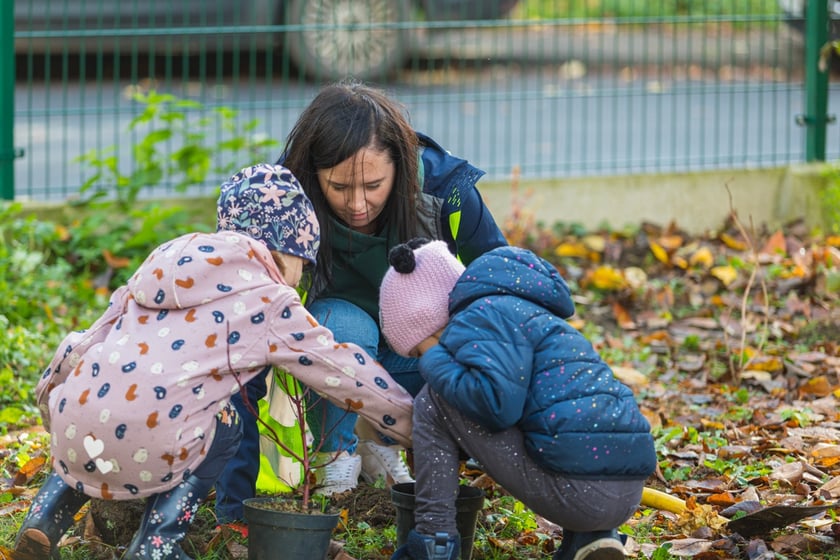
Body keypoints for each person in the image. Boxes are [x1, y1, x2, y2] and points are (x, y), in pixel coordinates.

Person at [11, 163, 413, 560]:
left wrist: (52, 404)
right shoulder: (269, 297)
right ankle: (157, 544)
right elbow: (342, 372)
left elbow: (79, 345)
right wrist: (412, 422)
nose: (299, 279)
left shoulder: (165, 260)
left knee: (95, 409)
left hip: (74, 428)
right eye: (303, 265)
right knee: (225, 416)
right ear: (287, 249)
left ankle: (42, 520)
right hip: (154, 442)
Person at [214, 80, 508, 518]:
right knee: (346, 323)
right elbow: (242, 350)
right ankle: (338, 460)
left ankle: (383, 448)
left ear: (401, 166)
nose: (357, 204)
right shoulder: (281, 208)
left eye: (373, 185)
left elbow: (504, 289)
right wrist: (233, 507)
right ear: (313, 174)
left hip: (420, 354)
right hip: (329, 354)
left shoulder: (446, 192)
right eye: (338, 186)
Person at [379, 239, 658, 560]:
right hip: (625, 492)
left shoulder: (478, 319)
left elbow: (495, 406)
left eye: (417, 349)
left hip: (581, 495)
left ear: (431, 320)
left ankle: (433, 542)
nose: (420, 359)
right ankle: (591, 541)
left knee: (433, 400)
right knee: (553, 421)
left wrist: (433, 362)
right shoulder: (524, 314)